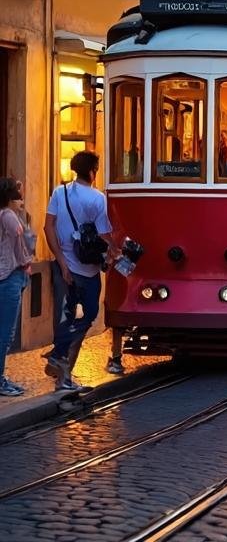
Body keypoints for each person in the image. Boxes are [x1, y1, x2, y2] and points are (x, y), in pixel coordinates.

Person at [44, 151, 118, 390]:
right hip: (88, 270)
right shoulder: (97, 199)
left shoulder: (59, 192)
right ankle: (61, 364)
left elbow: (48, 228)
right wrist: (116, 250)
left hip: (63, 266)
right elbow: (104, 234)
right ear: (92, 171)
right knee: (88, 316)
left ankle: (61, 367)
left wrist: (62, 263)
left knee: (65, 317)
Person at [0, 178, 32, 397]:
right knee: (6, 333)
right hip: (10, 276)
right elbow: (21, 248)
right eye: (19, 192)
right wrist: (27, 263)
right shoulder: (9, 216)